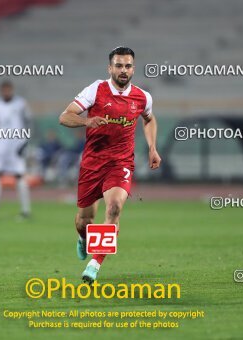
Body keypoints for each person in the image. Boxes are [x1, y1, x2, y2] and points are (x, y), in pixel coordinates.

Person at [59, 47, 161, 283]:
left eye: (127, 66)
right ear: (110, 68)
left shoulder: (143, 97)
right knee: (84, 221)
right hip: (92, 163)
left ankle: (95, 264)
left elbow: (149, 118)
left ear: (133, 68)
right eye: (118, 65)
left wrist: (152, 148)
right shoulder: (96, 89)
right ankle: (84, 239)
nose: (123, 70)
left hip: (121, 162)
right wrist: (87, 120)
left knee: (114, 207)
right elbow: (64, 116)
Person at [0, 80, 32, 218]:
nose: (6, 92)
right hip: (1, 146)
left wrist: (26, 142)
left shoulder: (21, 104)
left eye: (8, 90)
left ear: (12, 90)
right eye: (4, 90)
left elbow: (29, 123)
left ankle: (25, 210)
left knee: (19, 176)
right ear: (1, 91)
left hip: (17, 145)